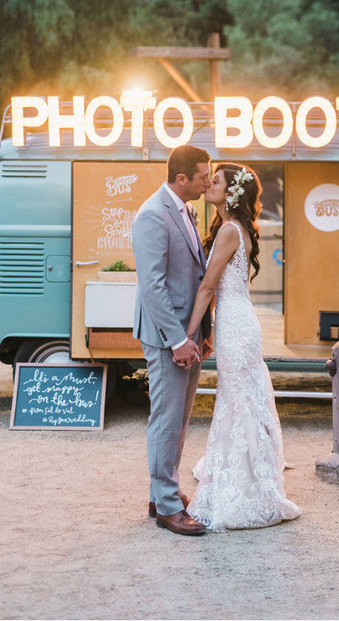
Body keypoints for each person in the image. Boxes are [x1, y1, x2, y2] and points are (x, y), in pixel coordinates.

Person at [185, 163, 302, 531]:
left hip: (235, 327)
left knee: (238, 402)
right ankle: (248, 474)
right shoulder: (233, 229)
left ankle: (248, 486)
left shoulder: (229, 232)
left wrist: (188, 335)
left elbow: (207, 288)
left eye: (215, 181)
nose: (208, 185)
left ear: (232, 192)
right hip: (238, 322)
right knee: (240, 401)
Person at [132, 144, 213, 536]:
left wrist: (202, 332)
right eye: (202, 177)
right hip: (169, 338)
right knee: (166, 420)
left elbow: (192, 275)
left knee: (179, 419)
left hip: (189, 334)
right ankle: (166, 508)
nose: (208, 182)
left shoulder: (184, 209)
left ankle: (161, 492)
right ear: (182, 179)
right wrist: (178, 340)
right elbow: (153, 287)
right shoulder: (152, 215)